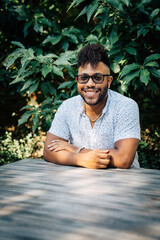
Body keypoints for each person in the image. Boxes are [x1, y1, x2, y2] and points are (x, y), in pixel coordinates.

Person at [43, 44, 141, 169]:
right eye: (84, 78)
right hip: (80, 181)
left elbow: (123, 159)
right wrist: (81, 159)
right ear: (77, 80)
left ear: (109, 81)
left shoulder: (125, 106)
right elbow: (48, 151)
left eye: (97, 78)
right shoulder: (68, 107)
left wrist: (75, 150)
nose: (90, 84)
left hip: (123, 183)